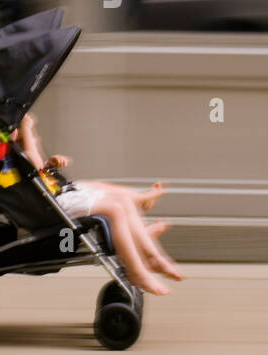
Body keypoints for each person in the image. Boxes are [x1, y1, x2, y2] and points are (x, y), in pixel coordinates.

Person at [12, 111, 183, 297]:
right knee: (115, 209)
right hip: (50, 204)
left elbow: (38, 166)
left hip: (56, 193)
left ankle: (151, 251)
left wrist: (50, 163)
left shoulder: (16, 147)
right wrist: (27, 131)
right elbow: (33, 166)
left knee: (116, 196)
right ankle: (137, 270)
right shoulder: (4, 151)